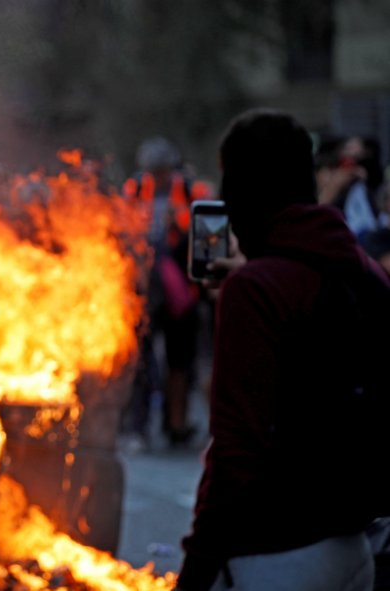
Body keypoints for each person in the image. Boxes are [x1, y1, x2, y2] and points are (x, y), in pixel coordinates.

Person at [176, 108, 390, 591]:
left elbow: (236, 451)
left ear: (244, 186)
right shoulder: (362, 270)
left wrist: (197, 569)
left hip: (277, 553)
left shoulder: (256, 290)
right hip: (355, 548)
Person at [120, 136, 212, 450]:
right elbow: (120, 231)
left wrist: (181, 227)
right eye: (152, 170)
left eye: (161, 170)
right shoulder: (132, 190)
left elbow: (209, 237)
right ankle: (138, 428)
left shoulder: (192, 191)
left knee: (180, 364)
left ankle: (176, 426)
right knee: (141, 364)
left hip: (183, 292)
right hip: (144, 290)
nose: (156, 176)